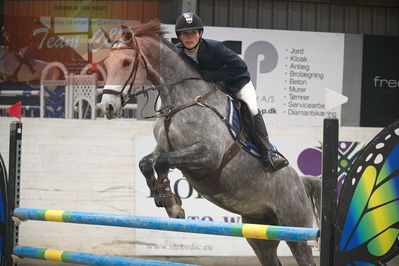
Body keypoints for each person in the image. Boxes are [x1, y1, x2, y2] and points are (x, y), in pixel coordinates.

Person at [175, 12, 288, 171]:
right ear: (179, 36)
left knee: (252, 109)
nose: (189, 37)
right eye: (184, 34)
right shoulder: (178, 52)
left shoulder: (215, 48)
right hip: (213, 90)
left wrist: (211, 76)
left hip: (237, 83)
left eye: (193, 32)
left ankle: (269, 153)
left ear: (200, 34)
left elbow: (240, 68)